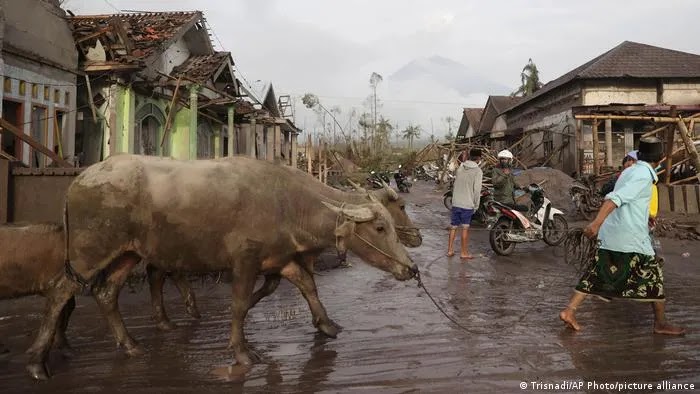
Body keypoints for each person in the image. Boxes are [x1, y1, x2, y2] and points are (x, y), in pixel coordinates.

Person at [559, 137, 684, 336]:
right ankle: (660, 323)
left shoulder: (631, 170)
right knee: (654, 278)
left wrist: (642, 218)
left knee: (596, 274)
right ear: (660, 160)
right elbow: (614, 199)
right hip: (631, 238)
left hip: (614, 234)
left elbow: (627, 201)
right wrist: (595, 223)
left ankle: (569, 311)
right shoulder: (643, 175)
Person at [447, 148, 483, 260]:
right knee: (465, 228)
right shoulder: (478, 171)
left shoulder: (461, 168)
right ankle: (463, 253)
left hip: (456, 202)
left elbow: (455, 184)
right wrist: (476, 205)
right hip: (467, 204)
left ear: (469, 156)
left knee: (453, 227)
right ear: (478, 158)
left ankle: (450, 250)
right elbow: (477, 190)